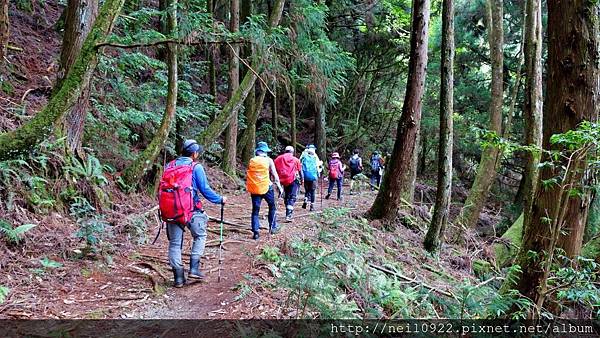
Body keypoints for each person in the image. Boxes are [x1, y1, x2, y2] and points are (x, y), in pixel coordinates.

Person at [163, 139, 227, 288]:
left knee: (174, 243)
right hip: (191, 210)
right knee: (200, 235)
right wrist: (220, 199)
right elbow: (205, 190)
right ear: (194, 154)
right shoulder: (195, 167)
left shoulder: (169, 165)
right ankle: (194, 268)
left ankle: (178, 278)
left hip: (171, 210)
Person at [246, 141, 283, 240]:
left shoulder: (252, 160)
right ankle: (272, 227)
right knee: (272, 206)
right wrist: (279, 186)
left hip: (255, 189)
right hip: (267, 188)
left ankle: (256, 232)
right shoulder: (269, 160)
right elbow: (275, 174)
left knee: (255, 210)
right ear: (265, 151)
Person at [274, 145, 303, 222]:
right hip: (293, 180)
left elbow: (274, 170)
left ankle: (287, 209)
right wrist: (302, 180)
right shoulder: (296, 160)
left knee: (286, 196)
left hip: (282, 181)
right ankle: (288, 215)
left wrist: (275, 181)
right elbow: (300, 171)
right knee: (292, 196)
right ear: (292, 152)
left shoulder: (278, 159)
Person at [300, 144, 322, 211]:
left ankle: (306, 200)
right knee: (312, 191)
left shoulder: (304, 156)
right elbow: (318, 167)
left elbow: (300, 164)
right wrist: (320, 171)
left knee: (307, 191)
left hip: (306, 176)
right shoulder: (315, 157)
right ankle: (312, 206)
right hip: (313, 177)